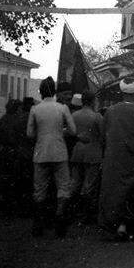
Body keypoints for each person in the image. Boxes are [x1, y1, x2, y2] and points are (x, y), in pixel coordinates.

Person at [98, 76, 134, 240]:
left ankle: (114, 225)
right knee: (131, 193)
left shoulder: (110, 111)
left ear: (120, 92)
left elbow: (103, 137)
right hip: (133, 160)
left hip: (113, 160)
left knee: (113, 192)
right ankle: (127, 225)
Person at [26, 76, 76, 238]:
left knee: (40, 189)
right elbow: (73, 131)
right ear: (54, 91)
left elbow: (30, 133)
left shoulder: (35, 109)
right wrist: (60, 133)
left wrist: (42, 135)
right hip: (59, 151)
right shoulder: (62, 108)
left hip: (41, 152)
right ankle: (60, 214)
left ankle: (38, 223)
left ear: (40, 91)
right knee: (63, 186)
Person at [70, 91, 104, 226]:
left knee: (75, 183)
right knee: (89, 185)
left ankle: (71, 212)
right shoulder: (97, 117)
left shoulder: (74, 115)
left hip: (77, 151)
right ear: (92, 101)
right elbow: (102, 136)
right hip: (93, 152)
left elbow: (71, 132)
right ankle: (85, 216)